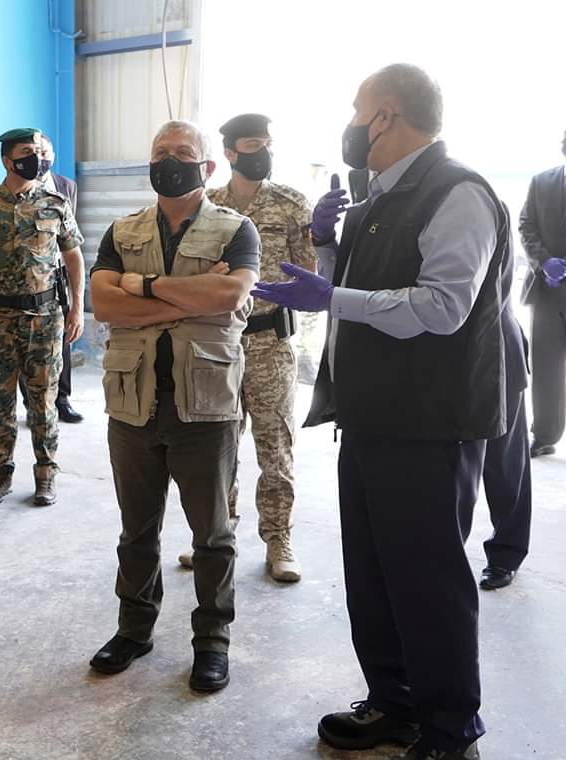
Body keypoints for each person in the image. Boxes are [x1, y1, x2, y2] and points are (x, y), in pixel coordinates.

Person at [253, 64, 508, 759]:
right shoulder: (373, 199)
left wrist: (331, 297)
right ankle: (395, 705)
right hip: (369, 417)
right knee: (374, 578)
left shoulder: (458, 194)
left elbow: (442, 307)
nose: (353, 123)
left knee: (427, 581)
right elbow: (364, 290)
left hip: (430, 424)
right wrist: (329, 248)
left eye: (358, 109)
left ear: (387, 115)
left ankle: (451, 731)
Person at [88, 120, 259, 693]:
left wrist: (140, 286)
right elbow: (103, 305)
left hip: (204, 407)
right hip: (133, 403)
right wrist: (186, 299)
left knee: (212, 534)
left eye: (182, 153)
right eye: (160, 152)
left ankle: (212, 641)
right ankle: (134, 630)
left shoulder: (236, 230)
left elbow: (230, 294)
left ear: (207, 167)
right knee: (136, 531)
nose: (169, 160)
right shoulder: (123, 230)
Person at [176, 113, 314, 582]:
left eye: (268, 143)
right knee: (217, 447)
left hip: (270, 342)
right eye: (254, 144)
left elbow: (311, 274)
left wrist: (326, 239)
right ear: (231, 153)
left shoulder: (291, 204)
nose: (264, 152)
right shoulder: (207, 205)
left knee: (275, 446)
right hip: (218, 340)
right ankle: (217, 534)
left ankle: (279, 540)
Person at [0, 127, 85, 506]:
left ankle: (46, 474)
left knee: (44, 402)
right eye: (27, 152)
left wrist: (76, 307)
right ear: (7, 160)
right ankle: (1, 473)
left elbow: (74, 258)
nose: (36, 158)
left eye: (39, 151)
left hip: (44, 318)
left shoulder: (55, 203)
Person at [472, 225, 531, 591]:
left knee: (504, 461)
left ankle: (506, 554)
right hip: (449, 352)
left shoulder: (477, 205)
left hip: (496, 345)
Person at [18, 133, 83, 423]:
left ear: (53, 156)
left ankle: (62, 398)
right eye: (35, 152)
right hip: (31, 276)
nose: (40, 158)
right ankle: (31, 401)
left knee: (64, 335)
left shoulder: (67, 186)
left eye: (45, 152)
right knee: (27, 338)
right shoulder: (20, 188)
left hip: (60, 273)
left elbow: (71, 233)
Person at [519, 130, 566, 457]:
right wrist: (544, 262)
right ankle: (545, 435)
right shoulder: (541, 181)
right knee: (545, 369)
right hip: (547, 291)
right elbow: (526, 225)